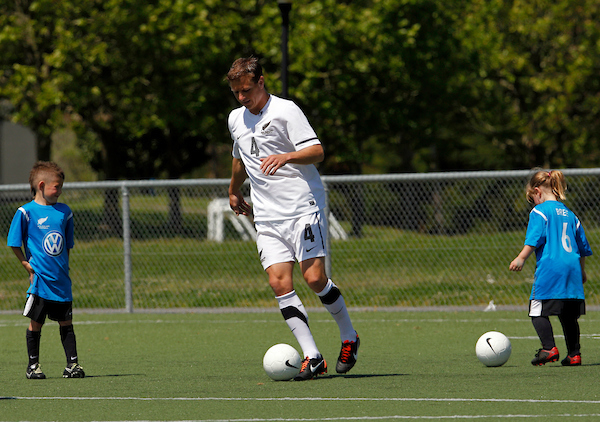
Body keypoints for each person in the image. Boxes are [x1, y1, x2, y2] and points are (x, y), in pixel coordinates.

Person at [226, 57, 359, 380]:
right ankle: (313, 356)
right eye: (236, 93)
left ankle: (349, 336)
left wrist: (287, 156)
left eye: (246, 90)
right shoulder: (235, 119)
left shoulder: (286, 111)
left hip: (303, 206)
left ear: (261, 81)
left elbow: (317, 151)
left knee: (314, 279)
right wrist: (233, 190)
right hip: (268, 215)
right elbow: (239, 157)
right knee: (278, 282)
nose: (242, 98)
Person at [7, 161, 85, 379]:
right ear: (41, 185)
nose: (59, 191)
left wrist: (64, 268)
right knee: (36, 324)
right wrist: (25, 263)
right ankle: (33, 366)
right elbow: (13, 242)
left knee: (66, 323)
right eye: (56, 187)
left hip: (61, 281)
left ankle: (73, 365)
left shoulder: (64, 212)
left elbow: (67, 246)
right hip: (40, 282)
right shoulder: (26, 212)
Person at [509, 169, 592, 366]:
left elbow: (534, 239)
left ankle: (548, 349)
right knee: (568, 313)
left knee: (537, 309)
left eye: (532, 197)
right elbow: (582, 247)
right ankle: (574, 354)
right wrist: (582, 270)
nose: (533, 202)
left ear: (537, 191)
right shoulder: (571, 214)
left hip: (551, 267)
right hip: (572, 267)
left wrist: (521, 258)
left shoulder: (539, 211)